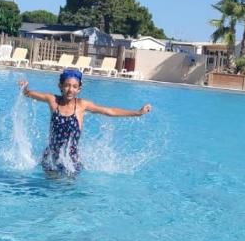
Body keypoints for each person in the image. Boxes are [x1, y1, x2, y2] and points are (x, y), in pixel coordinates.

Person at [18, 68, 151, 173]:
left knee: (68, 190)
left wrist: (137, 113)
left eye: (74, 86)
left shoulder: (82, 105)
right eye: (67, 85)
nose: (70, 89)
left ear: (79, 89)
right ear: (60, 86)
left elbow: (109, 111)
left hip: (71, 160)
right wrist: (25, 88)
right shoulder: (53, 100)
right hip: (51, 157)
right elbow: (28, 93)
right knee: (51, 190)